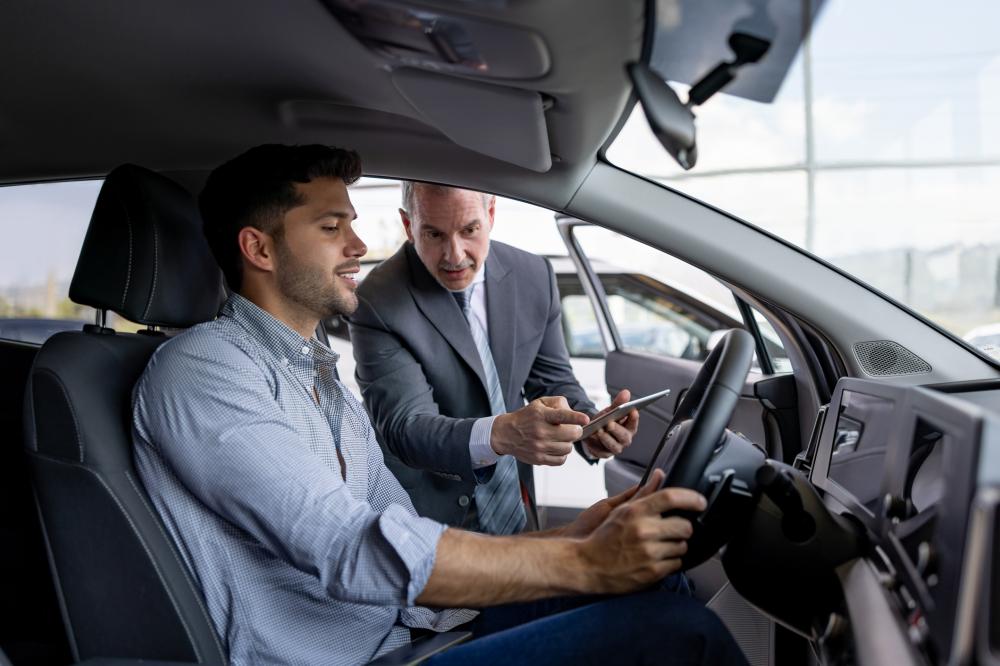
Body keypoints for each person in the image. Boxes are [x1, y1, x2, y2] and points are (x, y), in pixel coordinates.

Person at [132, 144, 747, 665]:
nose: (358, 243)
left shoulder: (318, 374)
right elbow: (350, 547)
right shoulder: (204, 372)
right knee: (680, 633)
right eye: (331, 228)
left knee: (659, 583)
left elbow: (391, 523)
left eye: (350, 223)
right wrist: (581, 560)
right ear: (260, 251)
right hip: (354, 655)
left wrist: (573, 534)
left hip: (411, 628)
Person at [348, 182, 638, 533]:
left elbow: (551, 379)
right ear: (409, 226)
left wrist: (587, 424)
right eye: (434, 234)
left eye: (469, 230)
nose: (454, 255)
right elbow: (406, 428)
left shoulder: (534, 275)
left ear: (491, 214)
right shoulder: (378, 300)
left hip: (517, 500)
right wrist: (503, 434)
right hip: (429, 516)